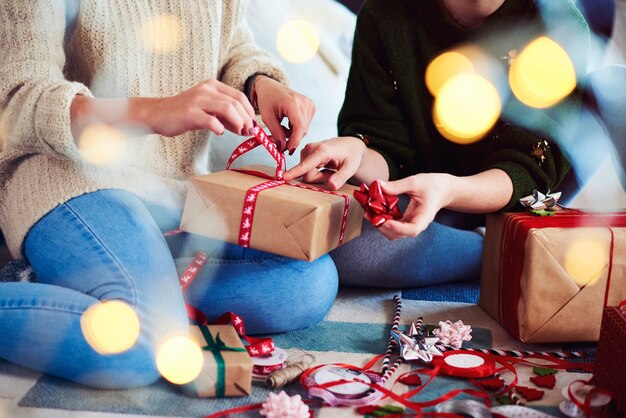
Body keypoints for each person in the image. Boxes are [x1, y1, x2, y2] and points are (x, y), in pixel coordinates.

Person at [0, 0, 337, 389]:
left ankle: (95, 284)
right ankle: (128, 299)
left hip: (174, 193)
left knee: (308, 282)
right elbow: (15, 100)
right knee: (139, 346)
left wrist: (260, 82)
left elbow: (230, 43)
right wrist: (155, 112)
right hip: (72, 176)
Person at [285, 0, 590, 288]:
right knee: (332, 239)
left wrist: (450, 190)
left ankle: (503, 250)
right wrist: (357, 152)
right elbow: (387, 148)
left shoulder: (558, 26)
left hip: (511, 204)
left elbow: (527, 169)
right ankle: (505, 256)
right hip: (415, 197)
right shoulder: (385, 13)